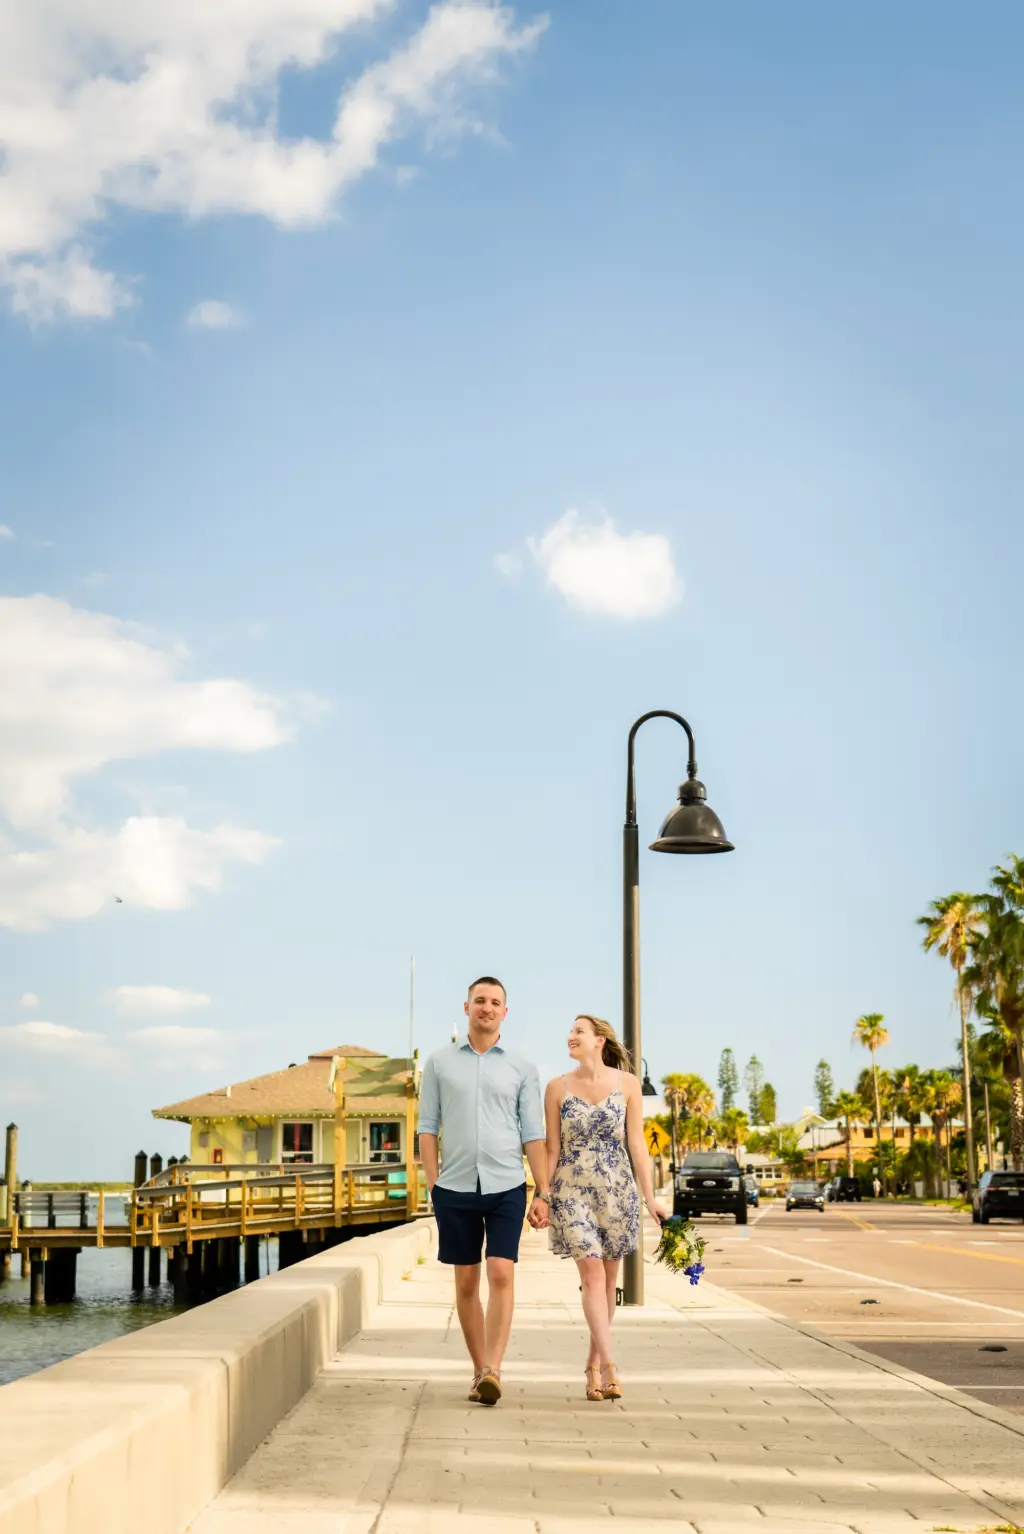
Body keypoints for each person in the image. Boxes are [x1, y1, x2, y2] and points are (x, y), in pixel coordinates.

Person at [417, 976, 549, 1407]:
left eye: (495, 1002)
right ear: (466, 1007)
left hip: (507, 1184)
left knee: (501, 1272)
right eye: (480, 1001)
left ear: (504, 1012)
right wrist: (433, 1184)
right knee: (467, 1281)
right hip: (453, 1188)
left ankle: (494, 1367)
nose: (486, 1008)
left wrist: (543, 1189)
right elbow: (427, 1128)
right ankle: (479, 1371)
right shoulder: (438, 1064)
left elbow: (533, 1133)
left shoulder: (522, 1068)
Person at [544, 1014, 667, 1403]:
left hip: (618, 1193)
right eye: (570, 1031)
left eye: (578, 1031)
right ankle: (611, 1365)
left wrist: (651, 1199)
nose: (570, 1036)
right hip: (572, 1191)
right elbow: (552, 1147)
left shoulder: (628, 1084)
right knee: (593, 1274)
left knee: (608, 1283)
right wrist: (542, 1195)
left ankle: (592, 1367)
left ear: (599, 1041)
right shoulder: (556, 1088)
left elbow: (637, 1146)